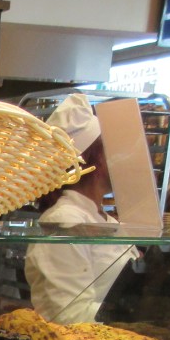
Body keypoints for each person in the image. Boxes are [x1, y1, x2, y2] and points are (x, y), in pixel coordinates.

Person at [24, 94, 139, 324]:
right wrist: (136, 315)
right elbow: (70, 315)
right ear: (97, 159)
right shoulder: (65, 220)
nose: (126, 159)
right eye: (117, 150)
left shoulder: (104, 220)